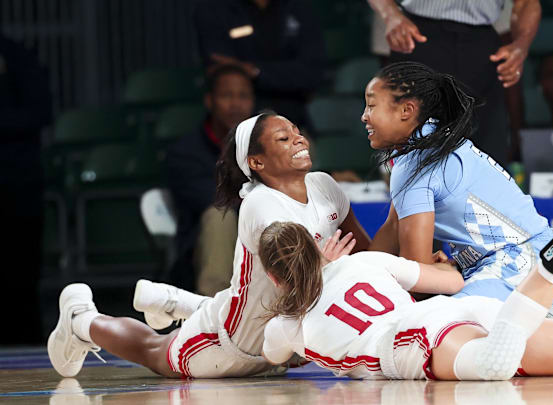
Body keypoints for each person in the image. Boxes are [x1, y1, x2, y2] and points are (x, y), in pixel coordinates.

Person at [261, 162, 553, 380]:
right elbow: (454, 282)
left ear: (276, 278)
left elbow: (270, 356)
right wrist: (338, 267)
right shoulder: (365, 263)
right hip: (463, 312)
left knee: (495, 365)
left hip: (414, 344)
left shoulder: (287, 325)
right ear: (318, 247)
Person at [47, 113, 370, 378]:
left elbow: (366, 252)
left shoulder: (324, 185)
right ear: (256, 162)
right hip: (231, 343)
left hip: (282, 345)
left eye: (297, 132)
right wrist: (330, 268)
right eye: (284, 139)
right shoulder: (261, 205)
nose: (299, 139)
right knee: (154, 351)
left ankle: (174, 301)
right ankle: (81, 320)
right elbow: (294, 290)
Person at [363, 61, 553, 304]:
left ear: (406, 110)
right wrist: (359, 279)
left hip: (518, 265)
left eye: (372, 106)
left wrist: (438, 272)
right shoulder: (433, 140)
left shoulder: (415, 163)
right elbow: (394, 226)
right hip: (539, 257)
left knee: (436, 324)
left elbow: (415, 279)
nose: (364, 116)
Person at [366, 0, 542, 165]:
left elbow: (527, 3)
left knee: (487, 150)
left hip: (481, 42)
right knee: (415, 148)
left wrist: (521, 45)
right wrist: (391, 14)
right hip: (419, 37)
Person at [167, 64, 255, 295]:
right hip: (202, 248)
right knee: (220, 215)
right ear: (209, 101)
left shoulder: (261, 143)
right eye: (227, 95)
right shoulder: (185, 152)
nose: (235, 104)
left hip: (254, 235)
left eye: (243, 96)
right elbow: (215, 198)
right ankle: (215, 314)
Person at [194, 0, 326, 131]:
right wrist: (284, 75)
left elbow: (311, 73)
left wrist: (254, 71)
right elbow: (221, 68)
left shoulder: (297, 6)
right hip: (236, 129)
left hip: (292, 121)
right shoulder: (214, 8)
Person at [0, 33, 52, 344]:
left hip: (16, 183)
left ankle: (24, 345)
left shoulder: (16, 54)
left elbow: (40, 112)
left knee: (20, 276)